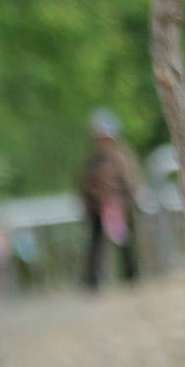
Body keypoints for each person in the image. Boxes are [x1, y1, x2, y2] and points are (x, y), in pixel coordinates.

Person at [78, 109, 143, 290]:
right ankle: (92, 281)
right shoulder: (91, 161)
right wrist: (91, 202)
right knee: (95, 244)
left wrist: (126, 200)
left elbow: (131, 181)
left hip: (121, 206)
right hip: (98, 208)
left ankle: (131, 277)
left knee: (127, 243)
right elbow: (85, 185)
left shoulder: (123, 158)